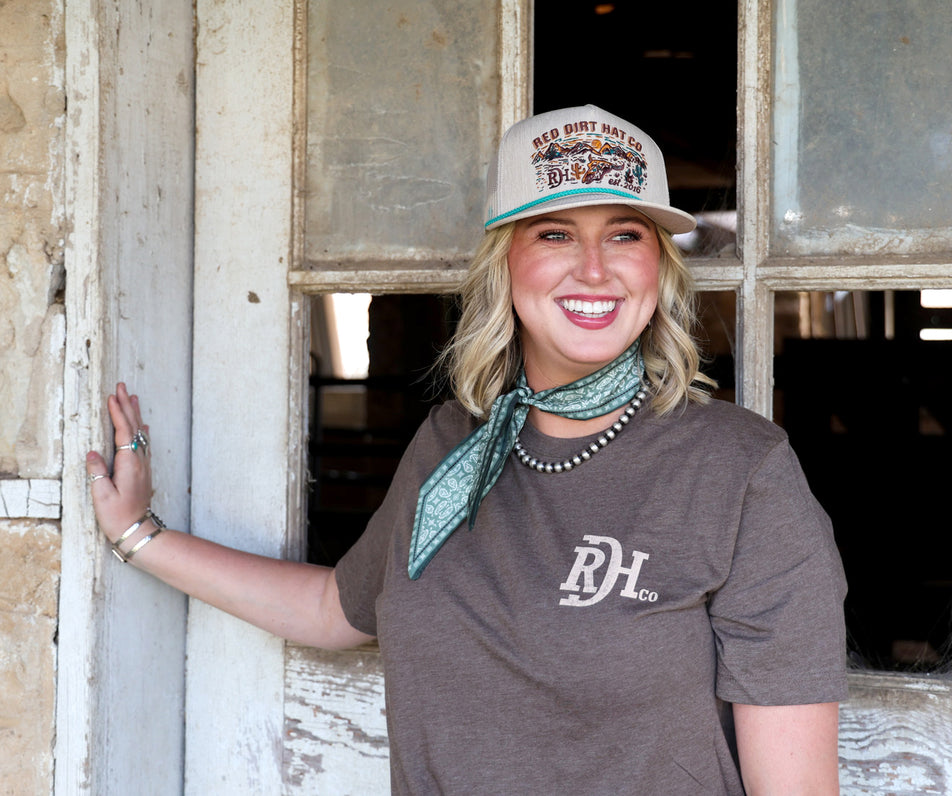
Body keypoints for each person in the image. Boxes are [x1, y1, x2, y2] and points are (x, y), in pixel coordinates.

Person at [87, 104, 847, 794]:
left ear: (659, 266)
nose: (594, 268)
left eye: (625, 233)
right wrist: (138, 535)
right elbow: (336, 608)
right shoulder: (456, 446)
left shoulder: (741, 472)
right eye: (555, 233)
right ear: (505, 262)